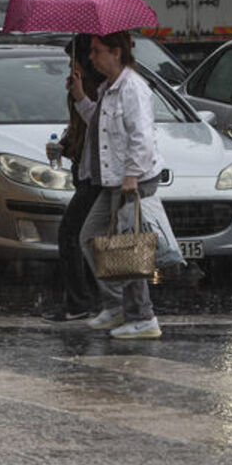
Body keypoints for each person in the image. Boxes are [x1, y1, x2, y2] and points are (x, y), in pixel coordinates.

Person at [69, 31, 166, 340]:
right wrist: (80, 97)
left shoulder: (132, 88)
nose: (92, 57)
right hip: (112, 182)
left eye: (97, 51)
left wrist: (132, 175)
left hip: (130, 182)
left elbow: (143, 136)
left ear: (116, 52)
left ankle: (143, 317)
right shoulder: (108, 88)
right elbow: (99, 125)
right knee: (90, 238)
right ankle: (116, 305)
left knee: (128, 249)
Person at [43, 34, 104, 322]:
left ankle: (80, 302)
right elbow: (80, 129)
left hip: (98, 176)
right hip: (84, 170)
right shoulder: (81, 89)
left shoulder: (101, 90)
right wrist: (64, 145)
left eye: (74, 60)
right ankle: (93, 301)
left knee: (72, 234)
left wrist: (80, 96)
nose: (71, 66)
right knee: (84, 237)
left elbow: (101, 127)